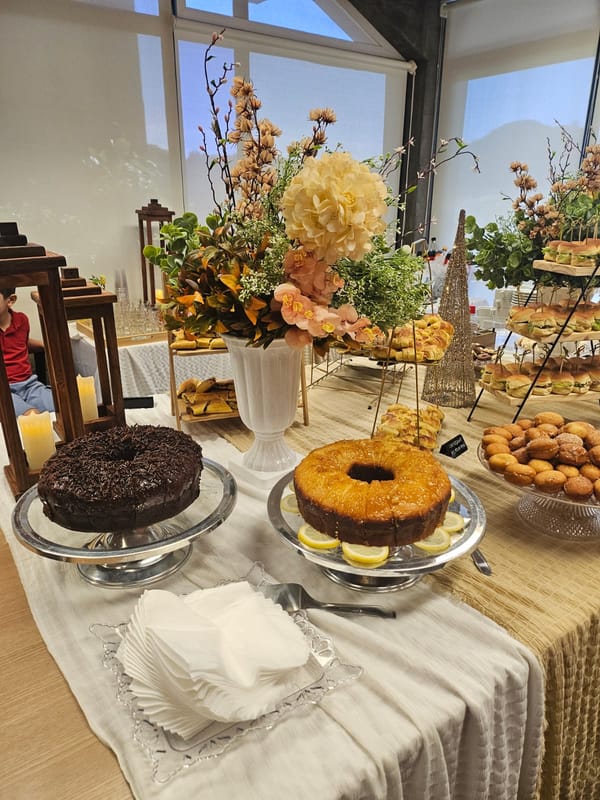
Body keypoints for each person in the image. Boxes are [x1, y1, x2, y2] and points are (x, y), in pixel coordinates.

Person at [0, 288, 55, 416]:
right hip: (3, 390)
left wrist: (44, 345)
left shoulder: (22, 320)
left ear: (10, 300)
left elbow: (21, 343)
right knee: (32, 415)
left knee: (61, 407)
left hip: (29, 384)